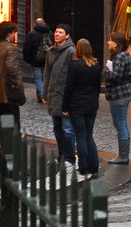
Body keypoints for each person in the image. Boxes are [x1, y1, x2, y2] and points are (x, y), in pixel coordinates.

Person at [63, 39, 102, 178]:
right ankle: (94, 165)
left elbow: (69, 87)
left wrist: (65, 106)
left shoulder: (74, 65)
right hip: (91, 104)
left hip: (77, 104)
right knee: (89, 135)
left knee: (80, 135)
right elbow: (98, 86)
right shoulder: (96, 65)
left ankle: (84, 166)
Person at [43, 23, 77, 166]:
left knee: (68, 128)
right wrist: (44, 92)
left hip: (65, 96)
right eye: (56, 32)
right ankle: (61, 154)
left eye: (60, 32)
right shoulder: (50, 51)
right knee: (57, 128)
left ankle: (70, 157)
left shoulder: (71, 51)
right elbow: (47, 73)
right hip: (53, 95)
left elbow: (73, 75)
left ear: (67, 36)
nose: (57, 34)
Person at [103, 32, 131, 164]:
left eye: (110, 40)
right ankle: (123, 154)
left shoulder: (120, 57)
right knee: (122, 123)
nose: (108, 42)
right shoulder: (125, 55)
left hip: (118, 94)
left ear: (116, 43)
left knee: (120, 124)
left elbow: (115, 76)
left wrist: (106, 70)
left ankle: (123, 156)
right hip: (124, 93)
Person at [22, 18, 52, 103]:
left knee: (38, 77)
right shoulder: (49, 33)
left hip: (35, 60)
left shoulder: (32, 34)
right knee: (46, 77)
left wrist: (27, 59)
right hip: (47, 59)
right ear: (44, 23)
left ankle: (41, 96)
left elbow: (27, 48)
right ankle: (45, 95)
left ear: (35, 24)